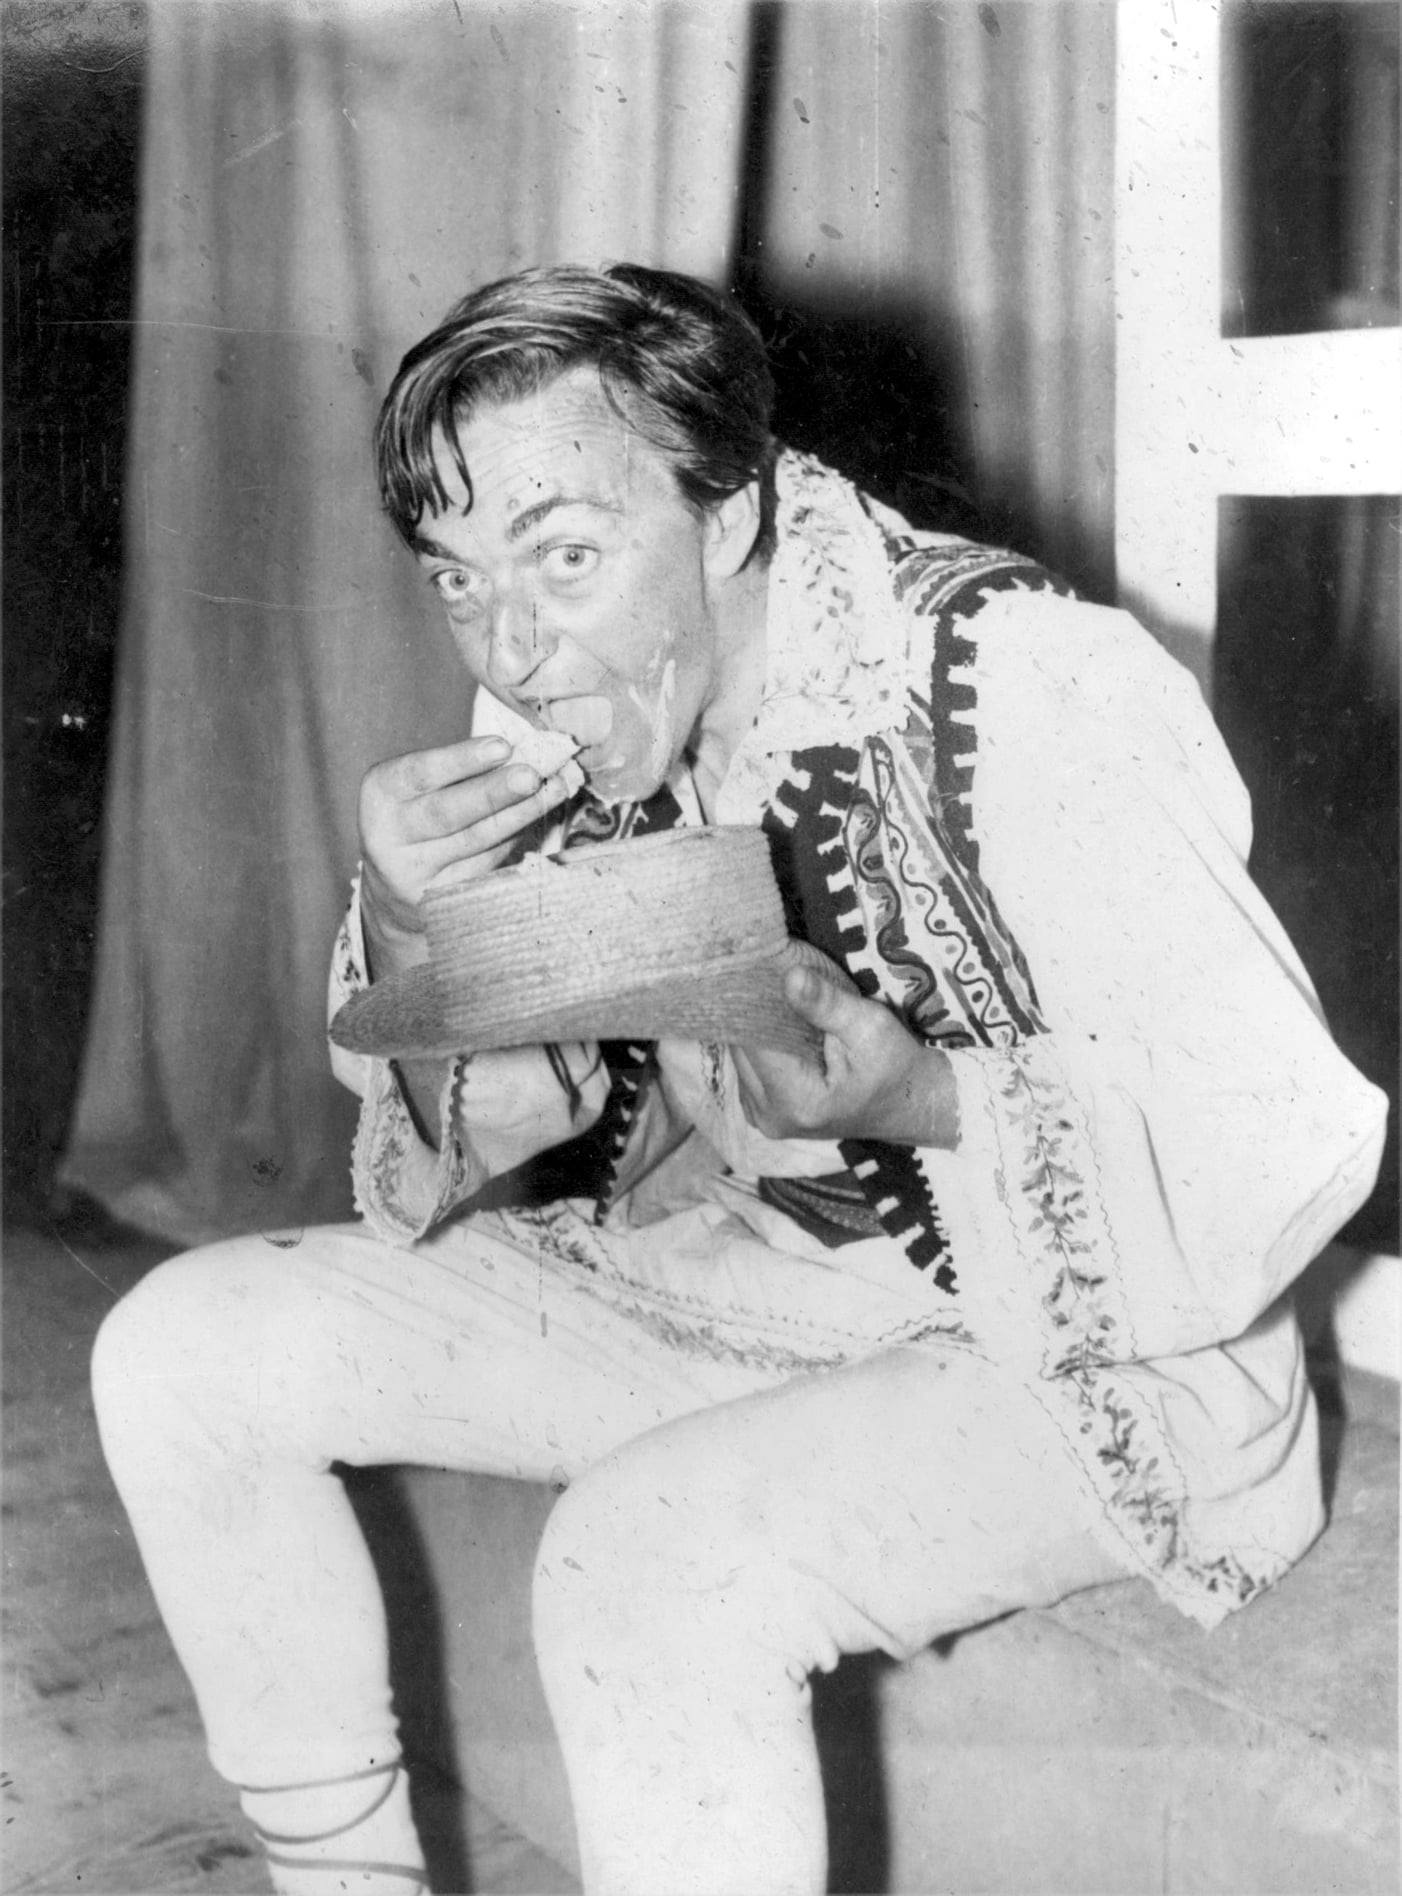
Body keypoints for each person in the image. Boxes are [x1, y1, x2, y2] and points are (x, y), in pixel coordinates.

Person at [92, 264, 1387, 1896]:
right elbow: (517, 1107)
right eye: (457, 580)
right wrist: (419, 929)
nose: (514, 648)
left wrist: (921, 1100)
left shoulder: (1034, 680)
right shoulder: (576, 693)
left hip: (1094, 1352)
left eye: (567, 556)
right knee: (185, 1352)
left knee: (647, 1559)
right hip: (748, 1287)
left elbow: (1270, 1136)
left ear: (730, 516)